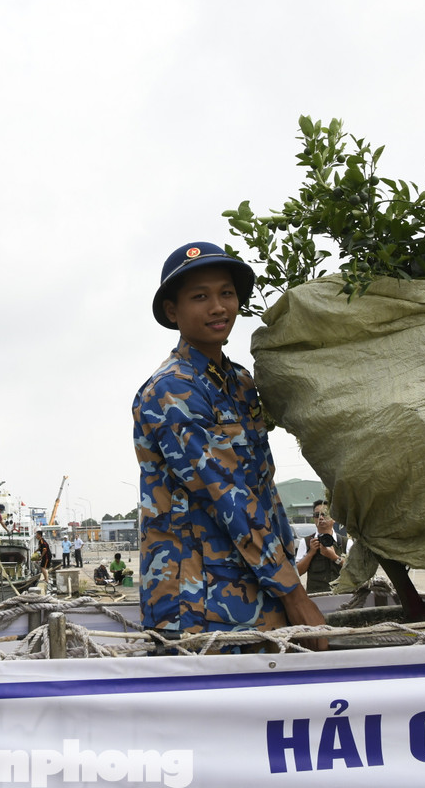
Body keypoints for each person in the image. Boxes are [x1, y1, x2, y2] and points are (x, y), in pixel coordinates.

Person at [134, 242, 327, 648]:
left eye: (226, 293)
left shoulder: (239, 383)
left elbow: (263, 485)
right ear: (173, 312)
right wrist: (294, 593)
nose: (218, 307)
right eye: (199, 297)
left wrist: (285, 573)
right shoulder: (173, 389)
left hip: (256, 587)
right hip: (198, 602)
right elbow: (228, 494)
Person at [295, 501, 348, 595]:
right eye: (317, 515)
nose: (321, 518)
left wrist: (335, 557)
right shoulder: (306, 542)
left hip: (343, 596)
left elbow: (355, 571)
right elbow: (297, 572)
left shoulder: (345, 543)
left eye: (325, 514)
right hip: (316, 598)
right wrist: (311, 553)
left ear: (334, 518)